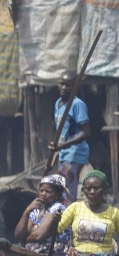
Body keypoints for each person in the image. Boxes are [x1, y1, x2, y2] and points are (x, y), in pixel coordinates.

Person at [54, 170, 119, 256]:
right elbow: (56, 230)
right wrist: (53, 220)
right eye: (88, 188)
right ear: (83, 190)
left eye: (96, 188)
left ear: (104, 188)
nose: (92, 192)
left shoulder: (114, 212)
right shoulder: (75, 207)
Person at [49, 70, 91, 202]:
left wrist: (62, 146)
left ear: (75, 86)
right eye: (61, 84)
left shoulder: (77, 105)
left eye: (68, 85)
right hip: (63, 151)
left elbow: (86, 132)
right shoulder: (57, 103)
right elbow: (61, 132)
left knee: (67, 190)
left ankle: (68, 219)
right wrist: (55, 154)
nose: (63, 87)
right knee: (62, 187)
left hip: (75, 152)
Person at [13, 174, 70, 256]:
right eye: (41, 190)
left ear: (57, 194)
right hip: (34, 253)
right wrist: (27, 211)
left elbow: (38, 235)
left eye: (48, 192)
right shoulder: (36, 209)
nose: (43, 194)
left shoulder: (58, 208)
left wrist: (25, 239)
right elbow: (19, 235)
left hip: (52, 254)